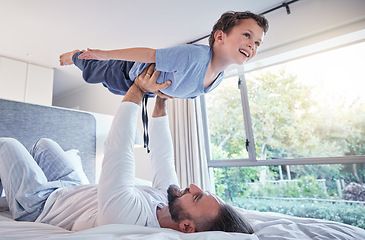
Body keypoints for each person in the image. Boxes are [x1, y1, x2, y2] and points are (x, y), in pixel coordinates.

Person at [0, 64, 254, 234]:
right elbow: (163, 157)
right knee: (44, 145)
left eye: (197, 197)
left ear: (187, 227)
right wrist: (161, 103)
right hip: (72, 187)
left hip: (42, 205)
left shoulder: (126, 218)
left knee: (6, 145)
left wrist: (139, 89)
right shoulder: (165, 201)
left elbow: (117, 149)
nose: (195, 186)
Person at [59, 11, 269, 99]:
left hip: (141, 89)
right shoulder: (194, 57)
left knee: (107, 87)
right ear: (220, 37)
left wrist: (159, 95)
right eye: (247, 35)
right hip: (124, 70)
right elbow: (151, 55)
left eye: (257, 43)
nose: (252, 45)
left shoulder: (216, 80)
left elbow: (181, 90)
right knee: (91, 71)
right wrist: (103, 54)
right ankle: (75, 55)